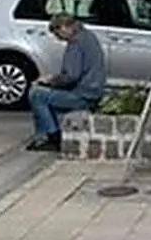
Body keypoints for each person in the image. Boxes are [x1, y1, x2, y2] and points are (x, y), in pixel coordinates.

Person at [26, 14, 106, 152]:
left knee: (36, 94)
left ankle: (51, 137)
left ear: (64, 28)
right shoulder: (88, 36)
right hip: (93, 91)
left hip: (83, 95)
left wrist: (50, 80)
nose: (59, 39)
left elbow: (71, 76)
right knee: (44, 94)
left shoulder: (75, 43)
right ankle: (49, 133)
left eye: (58, 35)